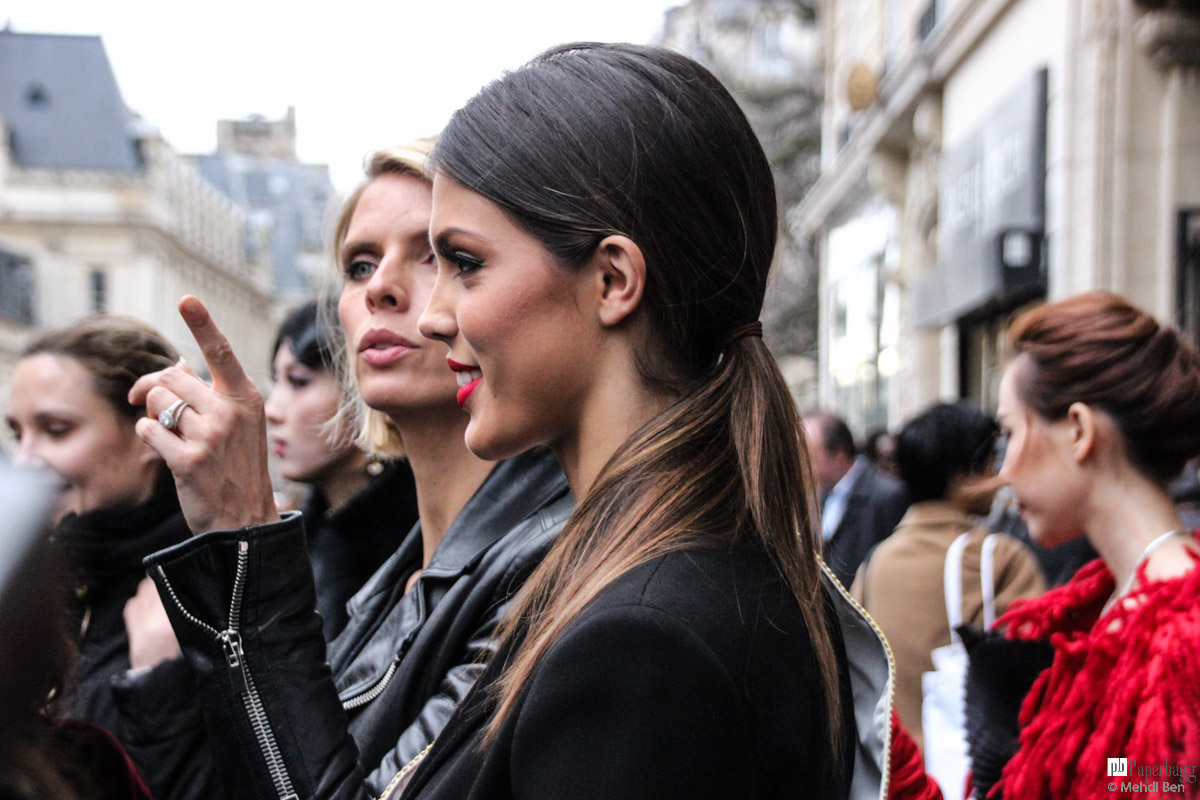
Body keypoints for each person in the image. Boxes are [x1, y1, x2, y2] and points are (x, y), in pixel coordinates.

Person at [118, 141, 571, 799]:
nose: (381, 287)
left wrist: (244, 540)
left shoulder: (552, 566)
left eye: (442, 256)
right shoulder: (392, 584)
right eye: (359, 266)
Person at [964, 291, 1200, 800]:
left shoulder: (1182, 636)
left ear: (1078, 430)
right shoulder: (1110, 605)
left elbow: (1167, 779)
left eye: (1009, 433)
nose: (1003, 471)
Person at [5, 316, 189, 747]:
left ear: (148, 432)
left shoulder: (210, 595)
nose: (25, 461)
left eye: (56, 430)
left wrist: (160, 688)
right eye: (17, 434)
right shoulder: (27, 587)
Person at [850, 401, 1044, 752]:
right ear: (963, 478)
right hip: (971, 775)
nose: (999, 478)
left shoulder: (875, 563)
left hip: (894, 775)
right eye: (990, 464)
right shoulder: (1001, 558)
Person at [266, 299, 418, 640]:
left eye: (298, 381)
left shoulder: (409, 547)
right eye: (275, 381)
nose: (271, 409)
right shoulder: (307, 536)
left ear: (361, 389)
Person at [805, 411, 909, 586]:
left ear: (840, 454)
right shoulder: (818, 496)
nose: (805, 465)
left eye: (812, 457)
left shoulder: (886, 495)